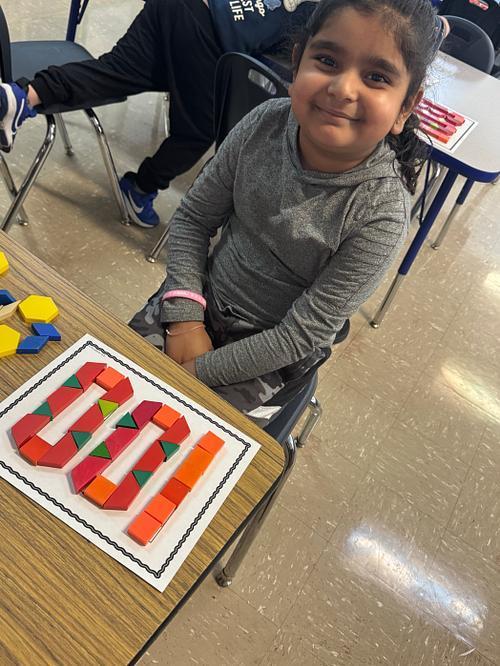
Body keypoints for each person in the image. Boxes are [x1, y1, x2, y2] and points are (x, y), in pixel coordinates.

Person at [128, 0, 445, 426]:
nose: (343, 89)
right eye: (328, 60)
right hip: (197, 300)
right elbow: (193, 220)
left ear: (406, 106)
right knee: (112, 391)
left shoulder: (380, 215)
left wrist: (196, 374)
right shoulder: (265, 122)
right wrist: (186, 318)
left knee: (189, 450)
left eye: (376, 77)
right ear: (297, 61)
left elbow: (301, 335)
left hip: (273, 352)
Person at [0, 0, 320, 228]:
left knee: (113, 72)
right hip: (208, 32)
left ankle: (22, 95)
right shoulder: (327, 11)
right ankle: (139, 189)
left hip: (171, 7)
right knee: (196, 133)